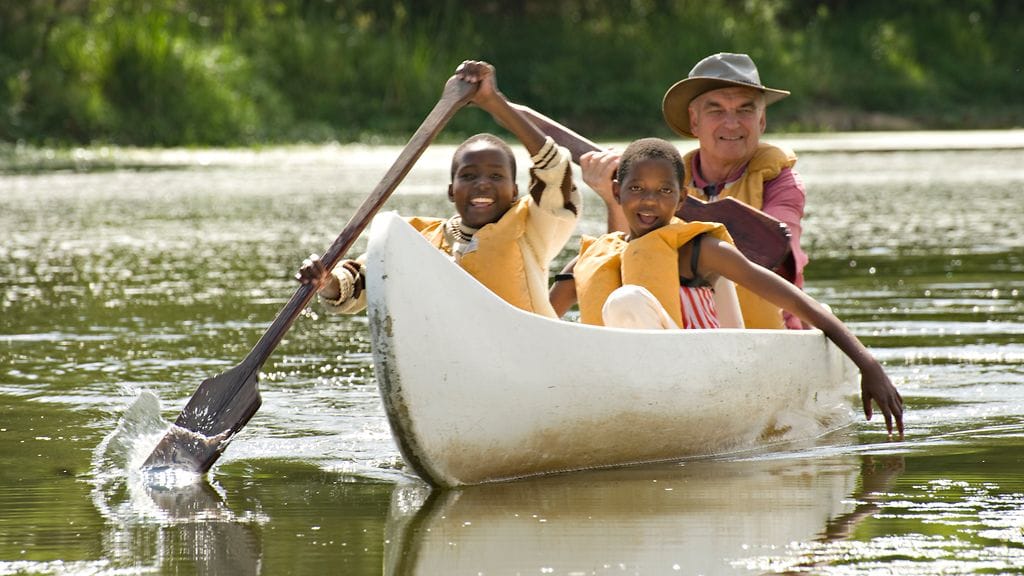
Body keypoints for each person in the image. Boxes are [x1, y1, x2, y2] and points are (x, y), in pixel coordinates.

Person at [550, 138, 904, 438]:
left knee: (625, 301)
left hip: (709, 385)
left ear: (682, 196)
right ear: (616, 191)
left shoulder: (701, 250)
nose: (649, 201)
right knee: (617, 303)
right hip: (630, 392)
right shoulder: (592, 258)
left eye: (664, 190)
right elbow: (539, 324)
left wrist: (868, 366)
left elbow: (800, 304)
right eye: (636, 189)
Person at [296, 60, 581, 319]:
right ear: (451, 191)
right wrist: (326, 281)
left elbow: (555, 172)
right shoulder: (416, 238)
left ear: (516, 191)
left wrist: (494, 103)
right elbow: (358, 284)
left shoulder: (532, 226)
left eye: (496, 176)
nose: (482, 183)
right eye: (469, 176)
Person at [580, 52, 808, 330]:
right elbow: (629, 262)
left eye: (745, 110)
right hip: (686, 333)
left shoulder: (781, 183)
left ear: (761, 121)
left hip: (769, 336)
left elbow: (774, 251)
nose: (732, 123)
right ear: (694, 120)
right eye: (716, 110)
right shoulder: (667, 180)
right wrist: (613, 201)